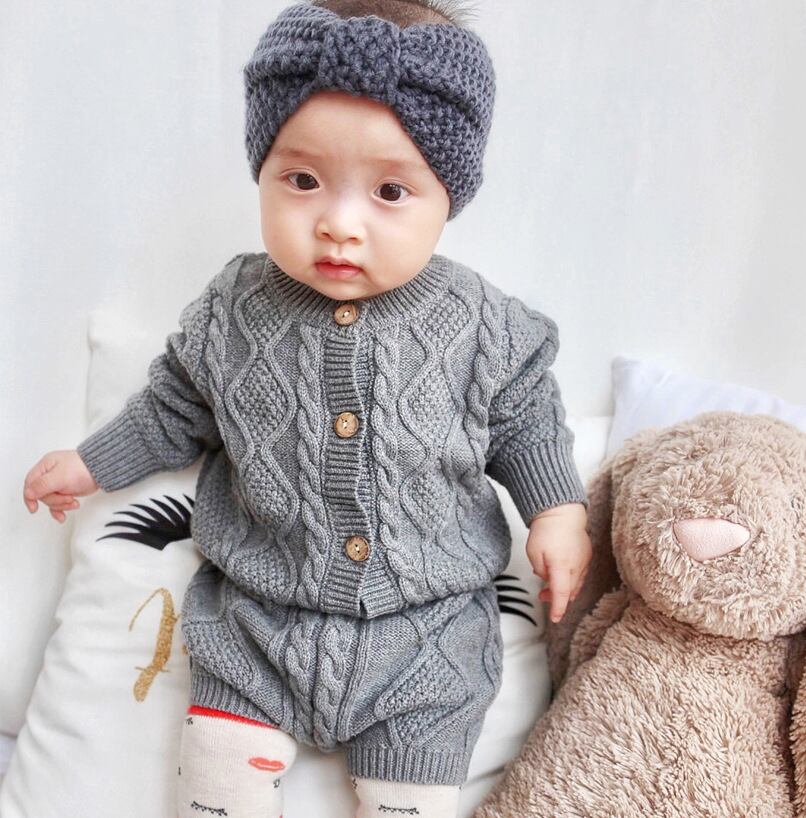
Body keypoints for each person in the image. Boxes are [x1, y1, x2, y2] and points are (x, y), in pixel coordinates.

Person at [22, 1, 592, 815]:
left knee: (414, 781)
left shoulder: (483, 324)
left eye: (390, 190)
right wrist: (90, 463)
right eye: (302, 181)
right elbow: (174, 406)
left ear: (449, 196)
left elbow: (528, 420)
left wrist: (557, 511)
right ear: (262, 171)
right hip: (258, 620)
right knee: (220, 767)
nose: (338, 224)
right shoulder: (234, 308)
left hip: (427, 632)